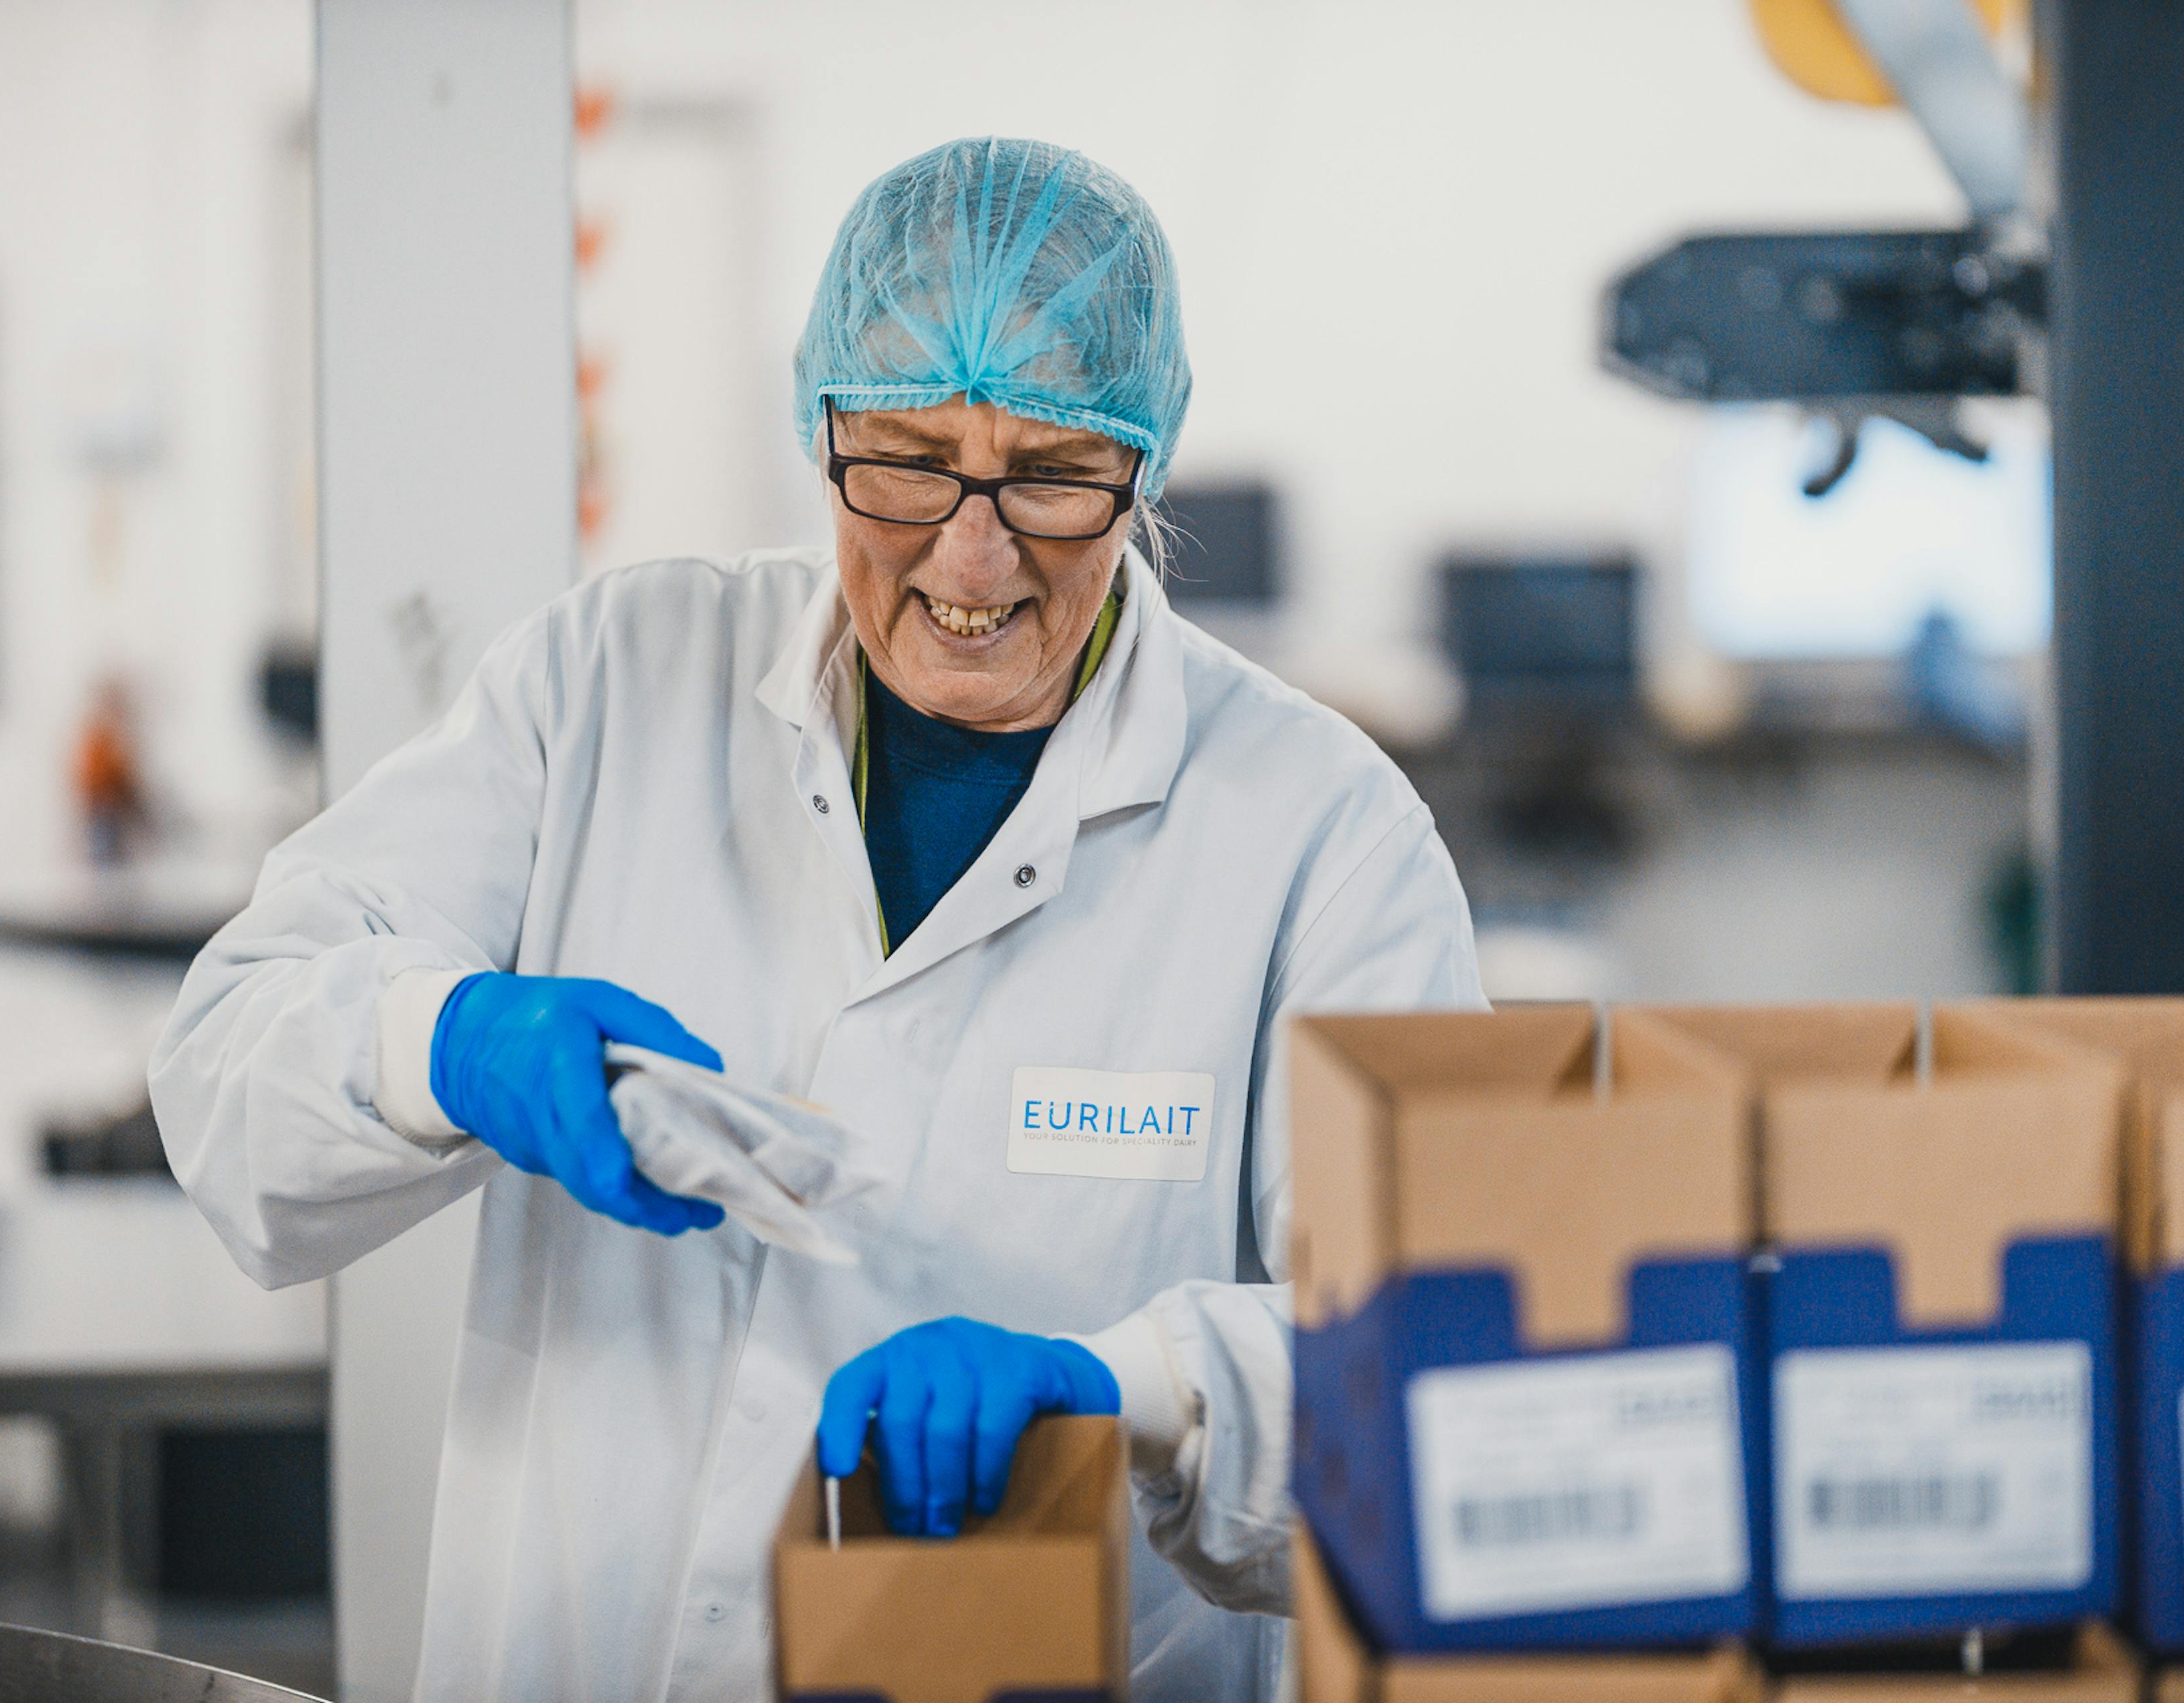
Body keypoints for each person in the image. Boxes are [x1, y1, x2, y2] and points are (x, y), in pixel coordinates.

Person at [152, 136, 1482, 1702]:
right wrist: (441, 1039)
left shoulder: (1322, 833)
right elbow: (229, 1067)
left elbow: (1428, 1384)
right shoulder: (609, 685)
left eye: (1051, 475)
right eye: (910, 459)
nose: (969, 554)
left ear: (1146, 464)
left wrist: (1136, 1387)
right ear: (824, 424)